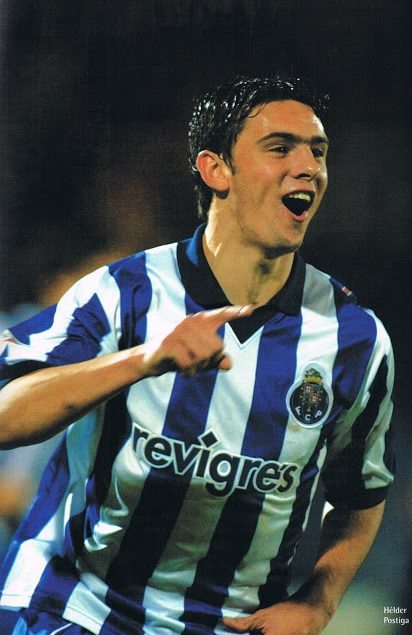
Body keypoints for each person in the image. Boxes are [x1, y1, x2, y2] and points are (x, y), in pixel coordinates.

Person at [0, 75, 395, 635]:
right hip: (78, 607)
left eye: (318, 151)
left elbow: (361, 493)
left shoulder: (355, 339)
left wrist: (319, 601)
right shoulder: (123, 293)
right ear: (216, 170)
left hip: (229, 625)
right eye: (280, 148)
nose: (308, 166)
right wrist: (142, 360)